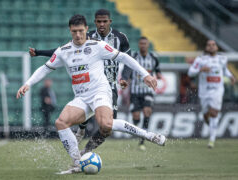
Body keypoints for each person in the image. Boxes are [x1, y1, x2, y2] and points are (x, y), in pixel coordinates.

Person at [17, 15, 166, 174]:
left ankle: (149, 135)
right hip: (81, 97)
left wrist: (145, 75)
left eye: (81, 31)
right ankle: (77, 163)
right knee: (61, 123)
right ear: (70, 31)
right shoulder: (63, 51)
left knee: (106, 125)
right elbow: (45, 68)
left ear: (87, 29)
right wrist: (28, 84)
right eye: (74, 31)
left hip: (100, 92)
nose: (78, 35)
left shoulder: (97, 46)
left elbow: (123, 57)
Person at [29, 8, 132, 151]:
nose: (102, 24)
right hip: (91, 83)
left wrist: (125, 77)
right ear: (94, 22)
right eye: (99, 21)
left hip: (110, 85)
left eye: (105, 21)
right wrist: (39, 53)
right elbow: (63, 51)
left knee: (108, 126)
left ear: (110, 22)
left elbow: (128, 59)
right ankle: (82, 129)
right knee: (86, 108)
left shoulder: (121, 38)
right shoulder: (86, 36)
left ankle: (86, 150)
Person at [188, 40, 236, 148]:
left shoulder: (222, 58)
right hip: (204, 91)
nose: (211, 47)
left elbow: (224, 70)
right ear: (206, 47)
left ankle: (211, 140)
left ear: (217, 47)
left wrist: (231, 76)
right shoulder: (200, 59)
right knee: (206, 114)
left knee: (214, 113)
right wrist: (201, 69)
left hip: (217, 89)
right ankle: (209, 124)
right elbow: (190, 72)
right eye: (209, 45)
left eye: (213, 45)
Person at [121, 36, 162, 151]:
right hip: (135, 92)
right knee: (136, 116)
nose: (143, 45)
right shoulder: (133, 57)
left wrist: (158, 76)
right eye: (141, 44)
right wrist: (126, 80)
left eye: (145, 43)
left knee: (147, 111)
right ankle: (137, 126)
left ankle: (142, 140)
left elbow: (158, 70)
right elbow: (128, 70)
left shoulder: (154, 57)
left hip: (148, 91)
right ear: (139, 45)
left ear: (148, 45)